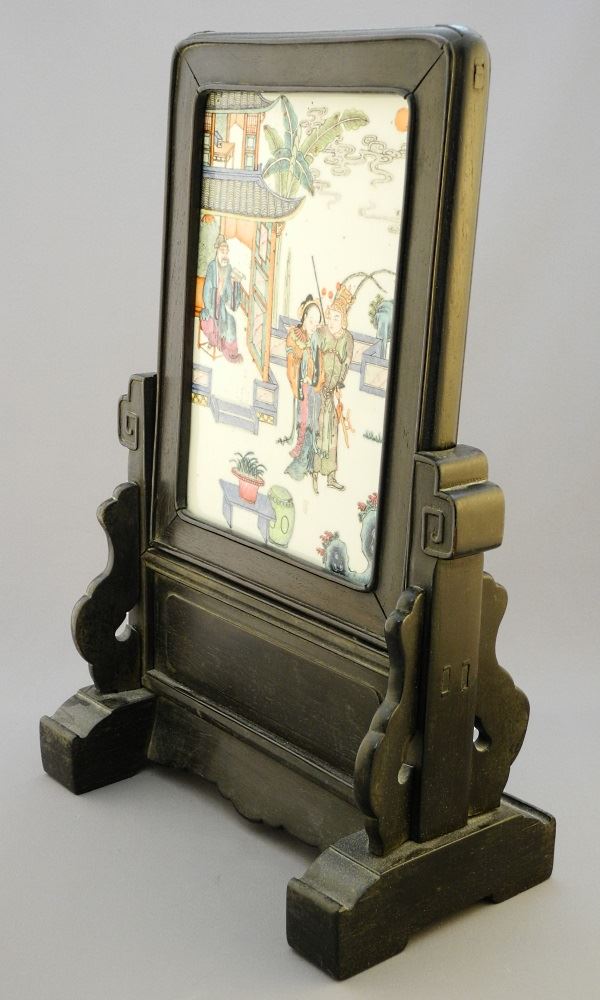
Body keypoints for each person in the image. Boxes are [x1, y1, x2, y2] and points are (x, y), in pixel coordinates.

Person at [312, 284, 354, 492]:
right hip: (318, 389)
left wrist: (339, 383)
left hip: (334, 392)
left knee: (332, 435)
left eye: (336, 317)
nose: (332, 321)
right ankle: (314, 472)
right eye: (330, 316)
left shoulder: (347, 339)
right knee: (317, 430)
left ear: (343, 319)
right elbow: (312, 356)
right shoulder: (321, 333)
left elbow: (346, 362)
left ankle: (331, 476)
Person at [284, 295, 324, 483]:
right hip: (301, 384)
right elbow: (292, 363)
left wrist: (314, 379)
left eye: (317, 322)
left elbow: (319, 363)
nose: (314, 325)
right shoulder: (294, 335)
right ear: (304, 317)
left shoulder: (316, 338)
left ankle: (306, 455)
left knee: (311, 420)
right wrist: (300, 379)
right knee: (302, 417)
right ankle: (300, 447)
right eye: (311, 321)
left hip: (313, 387)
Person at [200, 235, 243, 363]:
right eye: (222, 252)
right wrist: (212, 310)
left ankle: (231, 352)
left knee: (231, 322)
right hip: (210, 307)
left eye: (226, 252)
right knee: (213, 322)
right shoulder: (212, 267)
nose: (225, 255)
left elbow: (231, 302)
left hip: (221, 308)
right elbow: (207, 292)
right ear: (217, 252)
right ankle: (215, 341)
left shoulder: (228, 269)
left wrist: (236, 283)